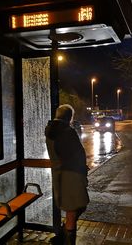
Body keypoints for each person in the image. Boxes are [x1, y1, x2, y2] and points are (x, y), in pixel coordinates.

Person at [45, 104, 89, 245]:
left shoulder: (51, 131)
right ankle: (66, 240)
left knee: (73, 208)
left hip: (59, 175)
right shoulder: (67, 132)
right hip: (72, 176)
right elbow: (77, 155)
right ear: (69, 117)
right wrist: (83, 173)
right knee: (74, 209)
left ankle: (61, 236)